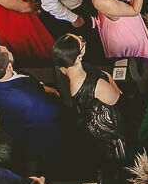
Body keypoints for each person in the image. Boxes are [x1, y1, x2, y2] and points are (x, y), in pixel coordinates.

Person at [0, 46, 66, 167]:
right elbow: (51, 118)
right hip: (36, 127)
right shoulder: (33, 103)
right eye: (6, 50)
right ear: (9, 67)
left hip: (11, 118)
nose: (5, 46)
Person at [50, 33, 131, 168]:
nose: (82, 37)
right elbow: (117, 97)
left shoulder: (63, 67)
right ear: (78, 57)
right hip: (108, 122)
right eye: (80, 41)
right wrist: (109, 77)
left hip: (90, 118)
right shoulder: (94, 85)